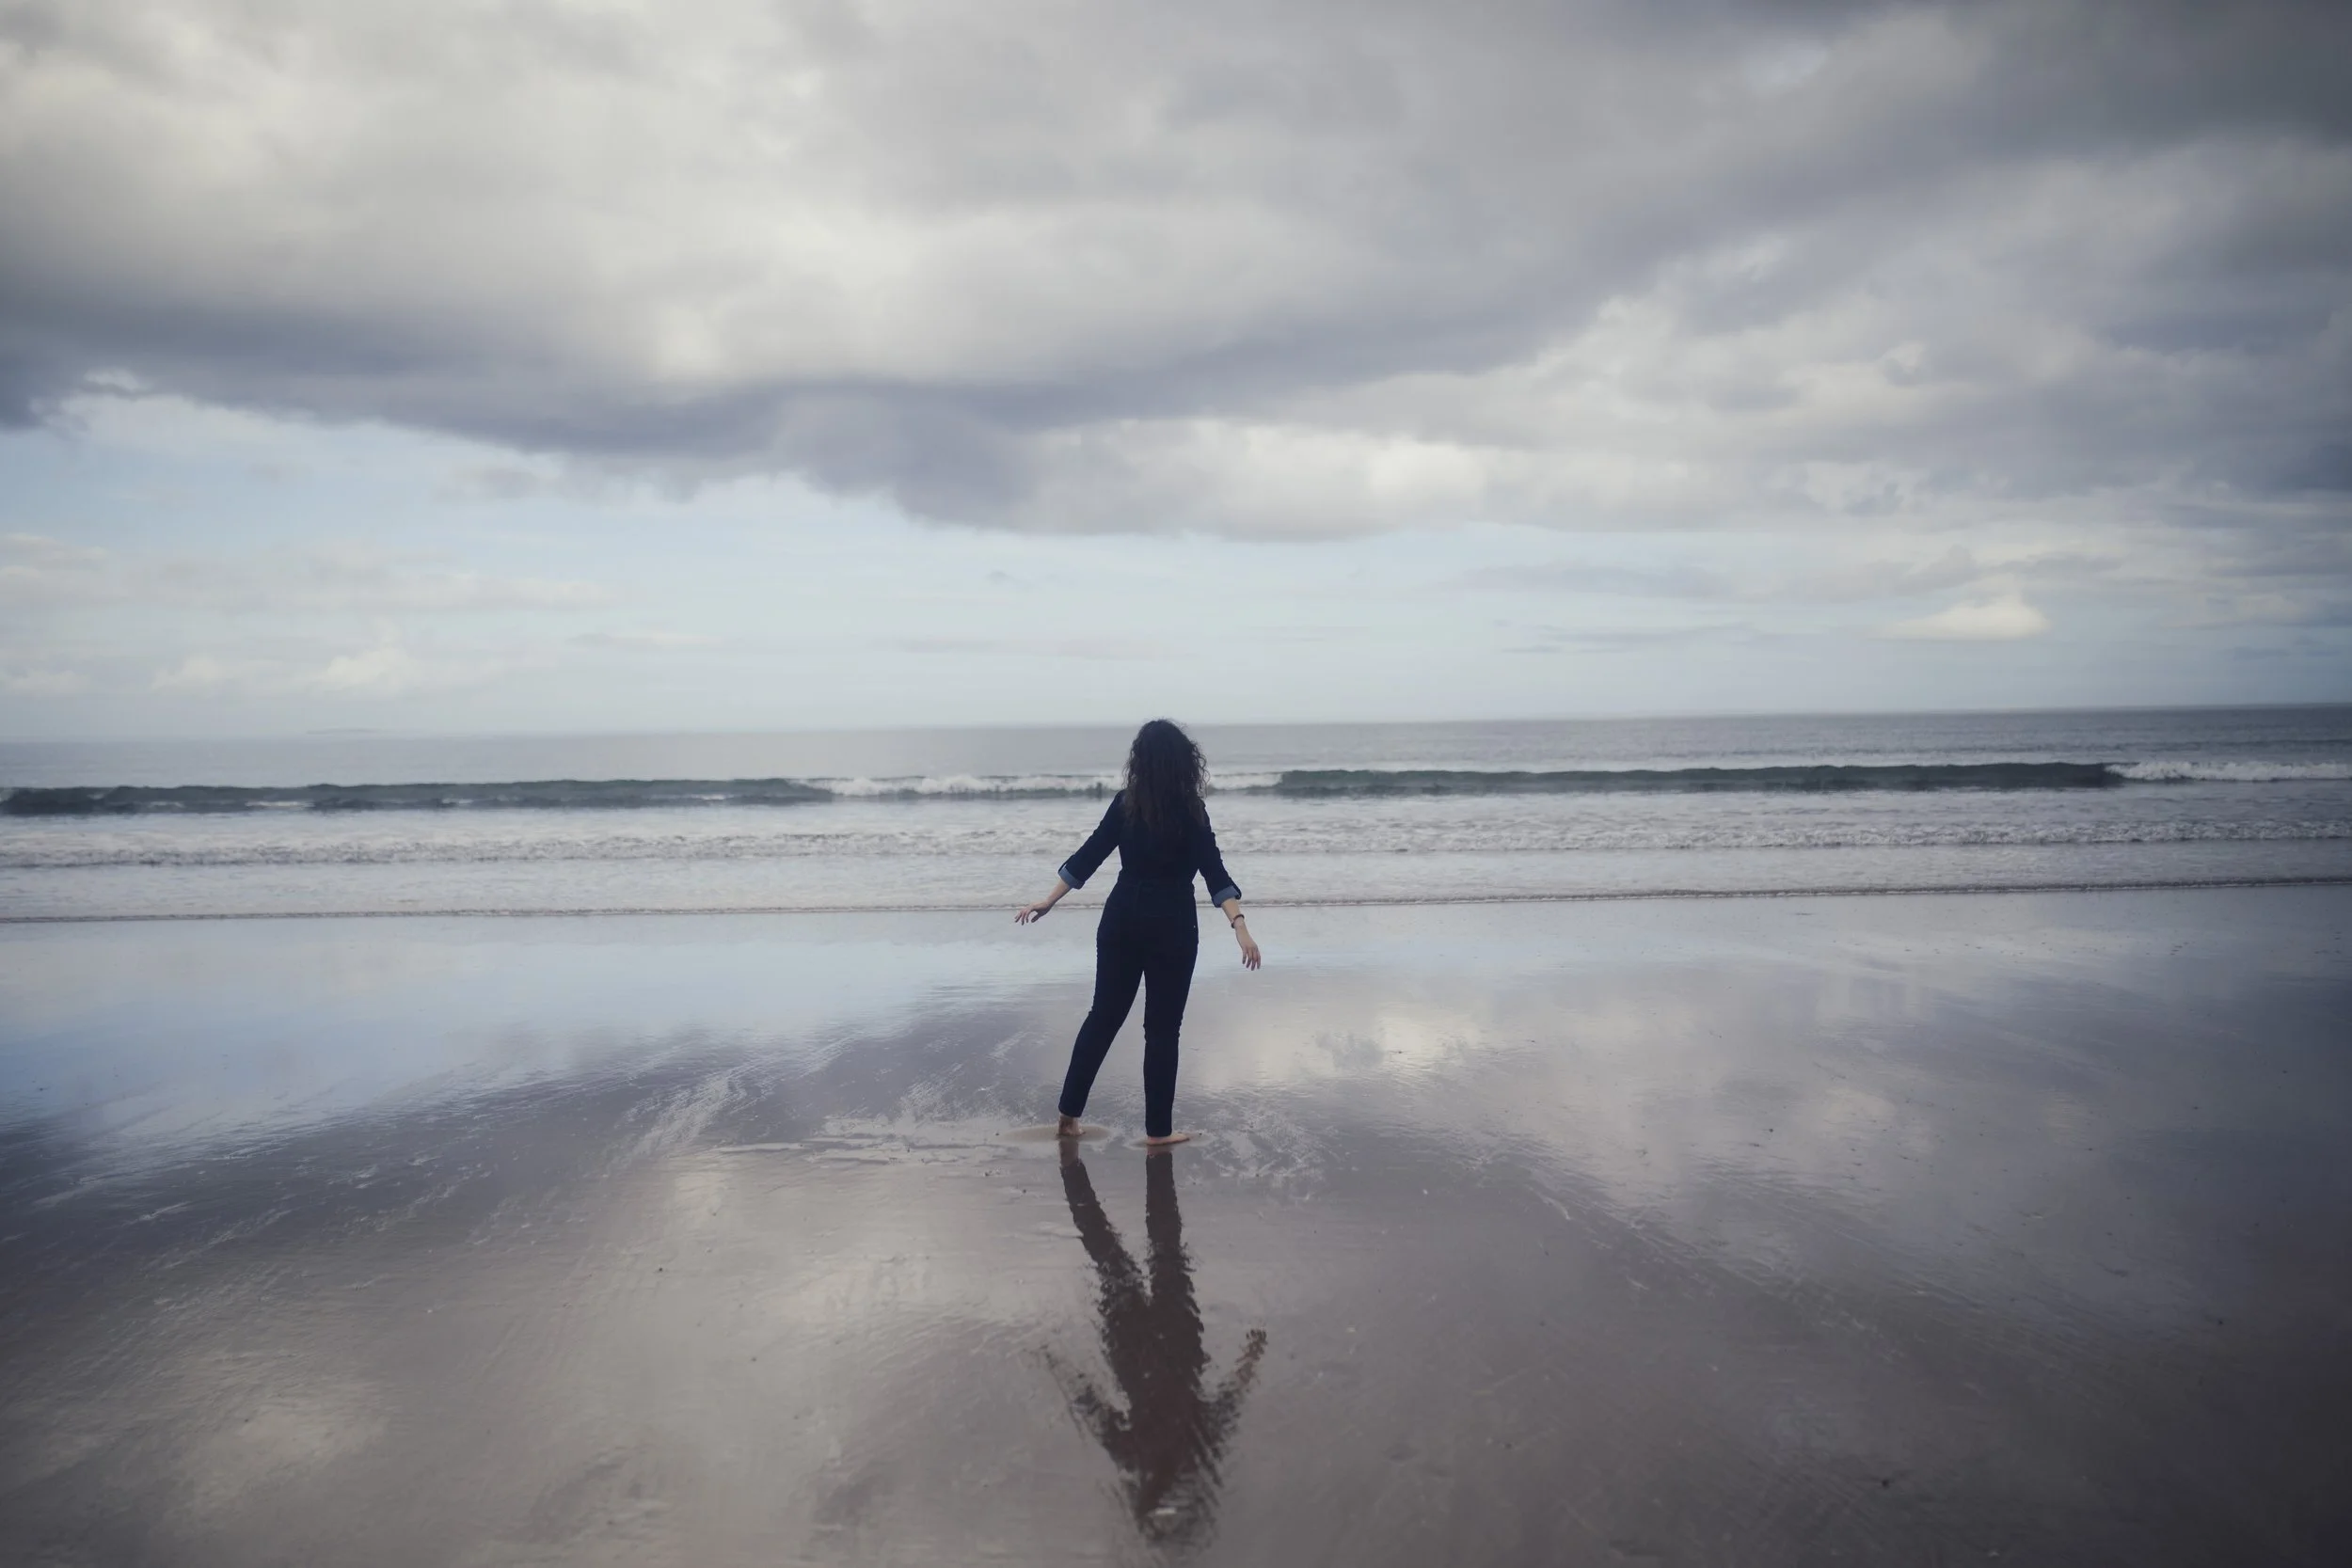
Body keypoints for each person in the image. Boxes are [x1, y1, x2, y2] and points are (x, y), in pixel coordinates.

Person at [1015, 720, 1260, 1145]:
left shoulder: (1126, 804)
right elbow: (1214, 872)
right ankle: (1158, 1133)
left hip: (1122, 917)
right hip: (1173, 925)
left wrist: (1049, 900)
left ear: (1140, 762)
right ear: (1185, 762)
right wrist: (1240, 927)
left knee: (1103, 1018)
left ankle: (1067, 1117)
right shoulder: (1191, 810)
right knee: (1162, 1030)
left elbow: (1089, 855)